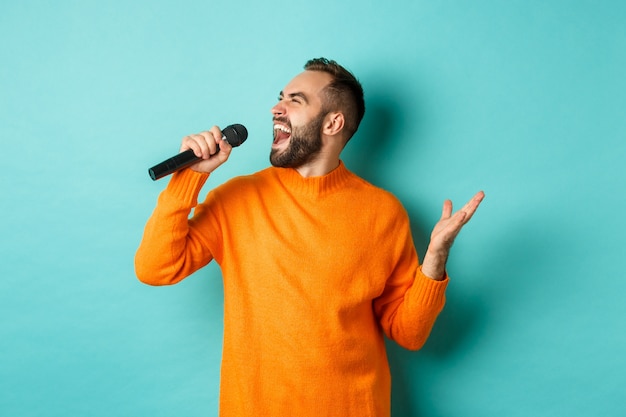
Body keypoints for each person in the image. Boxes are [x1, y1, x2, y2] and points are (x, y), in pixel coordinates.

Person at [135, 57, 484, 417]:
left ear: (333, 122)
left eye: (295, 100)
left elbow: (409, 334)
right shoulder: (237, 200)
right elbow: (156, 268)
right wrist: (189, 178)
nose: (276, 108)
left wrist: (435, 260)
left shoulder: (384, 213)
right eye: (280, 97)